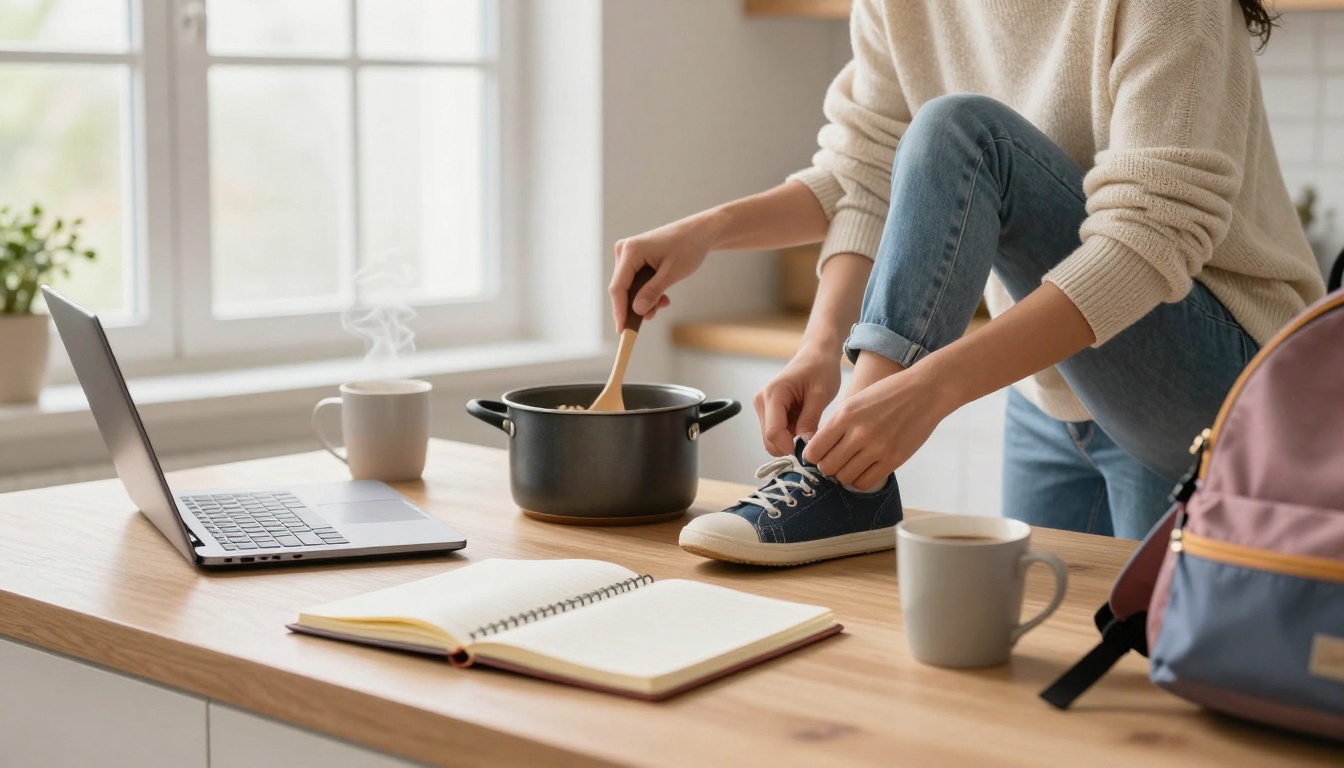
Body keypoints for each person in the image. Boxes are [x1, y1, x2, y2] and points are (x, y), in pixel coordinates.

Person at [610, 0, 1326, 566]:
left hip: (1223, 383)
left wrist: (925, 389)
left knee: (960, 129)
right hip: (1050, 393)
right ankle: (847, 469)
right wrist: (810, 337)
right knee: (1045, 673)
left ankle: (844, 481)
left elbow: (1149, 236)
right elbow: (868, 175)